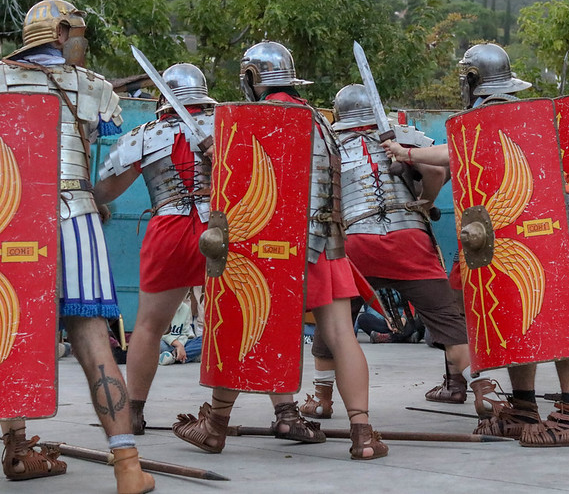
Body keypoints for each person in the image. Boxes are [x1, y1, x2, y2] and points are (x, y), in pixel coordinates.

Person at [172, 40, 387, 459]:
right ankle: (363, 435)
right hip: (325, 243)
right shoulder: (319, 120)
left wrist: (218, 156)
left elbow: (248, 187)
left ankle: (215, 426)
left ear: (252, 78)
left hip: (270, 247)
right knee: (342, 336)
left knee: (242, 322)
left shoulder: (257, 118)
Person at [387, 43, 569, 447]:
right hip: (506, 228)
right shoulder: (495, 114)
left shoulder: (503, 114)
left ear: (471, 80)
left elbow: (455, 151)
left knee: (559, 314)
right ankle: (523, 407)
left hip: (547, 224)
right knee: (516, 313)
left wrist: (406, 152)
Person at [0, 0, 153, 492]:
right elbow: (98, 154)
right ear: (63, 34)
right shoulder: (92, 87)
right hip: (75, 213)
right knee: (91, 338)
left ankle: (16, 448)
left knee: (10, 329)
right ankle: (127, 466)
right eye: (78, 32)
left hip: (11, 216)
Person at [300, 83, 471, 420]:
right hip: (409, 239)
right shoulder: (401, 139)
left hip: (354, 244)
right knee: (449, 322)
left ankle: (322, 399)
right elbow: (437, 169)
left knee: (334, 324)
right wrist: (425, 203)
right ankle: (483, 394)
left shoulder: (328, 145)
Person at [94, 62, 218, 433]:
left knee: (149, 327)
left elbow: (105, 190)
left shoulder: (146, 134)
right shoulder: (229, 128)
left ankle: (133, 412)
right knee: (237, 319)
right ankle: (282, 411)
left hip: (169, 228)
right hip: (222, 228)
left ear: (163, 99)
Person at [158, 296, 203, 365]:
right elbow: (160, 333)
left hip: (181, 342)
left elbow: (185, 333)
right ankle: (189, 356)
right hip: (164, 342)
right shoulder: (160, 307)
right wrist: (178, 345)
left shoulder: (185, 308)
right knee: (160, 345)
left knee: (205, 340)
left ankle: (173, 356)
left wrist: (180, 345)